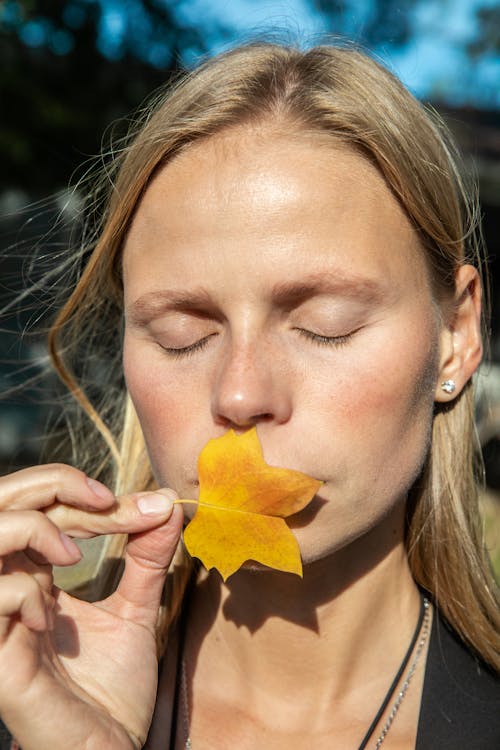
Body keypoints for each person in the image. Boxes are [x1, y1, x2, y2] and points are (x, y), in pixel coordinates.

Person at [0, 41, 498, 750]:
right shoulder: (26, 693)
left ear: (456, 335)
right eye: (180, 335)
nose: (239, 394)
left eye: (326, 327)